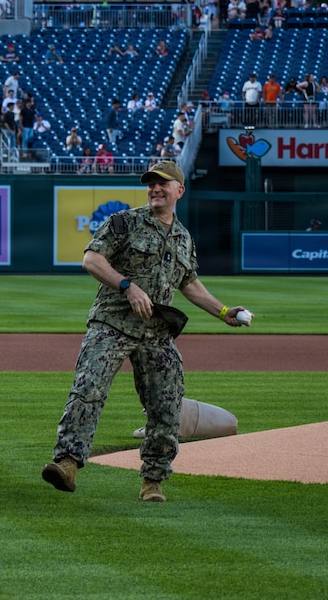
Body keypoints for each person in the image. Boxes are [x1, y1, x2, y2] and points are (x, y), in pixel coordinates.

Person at [42, 161, 251, 502]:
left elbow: (190, 284)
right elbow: (92, 260)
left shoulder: (183, 237)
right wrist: (127, 286)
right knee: (89, 387)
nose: (155, 188)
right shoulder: (124, 222)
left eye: (163, 183)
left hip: (156, 331)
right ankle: (67, 463)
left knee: (167, 406)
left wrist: (225, 311)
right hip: (112, 322)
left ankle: (152, 480)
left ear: (179, 191)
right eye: (151, 183)